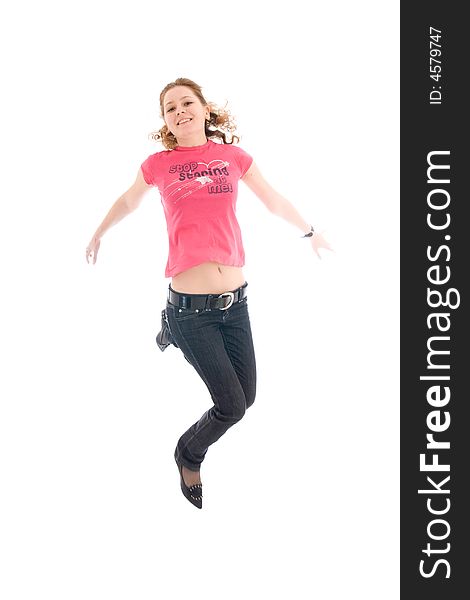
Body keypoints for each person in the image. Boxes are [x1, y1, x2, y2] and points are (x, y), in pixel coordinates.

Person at [86, 77, 332, 509]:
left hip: (237, 305)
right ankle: (188, 453)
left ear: (204, 109)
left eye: (186, 103)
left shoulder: (232, 157)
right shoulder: (159, 165)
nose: (179, 111)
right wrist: (98, 234)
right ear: (165, 121)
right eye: (169, 108)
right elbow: (129, 202)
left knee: (246, 399)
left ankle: (169, 333)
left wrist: (309, 231)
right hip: (192, 311)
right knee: (232, 405)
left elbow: (272, 199)